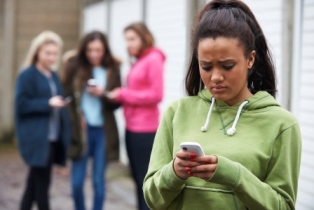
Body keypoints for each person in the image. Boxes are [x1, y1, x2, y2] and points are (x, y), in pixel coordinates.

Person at [143, 1, 302, 209]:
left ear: (250, 59)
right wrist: (173, 172)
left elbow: (283, 206)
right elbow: (152, 199)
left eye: (227, 66)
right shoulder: (176, 113)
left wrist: (235, 176)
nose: (216, 77)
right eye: (206, 66)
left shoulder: (282, 125)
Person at [107, 22, 166, 210]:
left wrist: (124, 94)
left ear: (144, 38)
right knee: (137, 179)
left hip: (145, 131)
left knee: (144, 181)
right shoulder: (140, 60)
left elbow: (156, 94)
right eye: (126, 40)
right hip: (132, 127)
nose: (128, 44)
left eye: (132, 39)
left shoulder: (153, 59)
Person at [61, 31, 121, 210]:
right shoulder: (74, 66)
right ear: (84, 50)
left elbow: (117, 103)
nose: (94, 54)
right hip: (81, 132)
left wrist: (104, 94)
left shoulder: (113, 69)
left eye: (98, 50)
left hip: (103, 132)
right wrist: (75, 118)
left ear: (105, 50)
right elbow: (65, 96)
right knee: (77, 183)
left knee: (98, 182)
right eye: (90, 50)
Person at [14, 31, 71, 210]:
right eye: (48, 53)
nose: (52, 57)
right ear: (38, 51)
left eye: (55, 53)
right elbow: (21, 105)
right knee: (42, 187)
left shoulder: (53, 75)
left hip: (52, 138)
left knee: (33, 186)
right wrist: (48, 103)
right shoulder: (27, 75)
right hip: (38, 139)